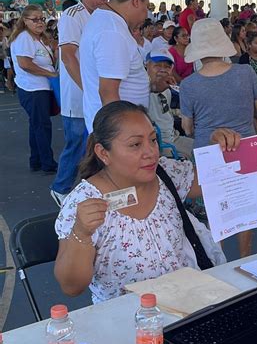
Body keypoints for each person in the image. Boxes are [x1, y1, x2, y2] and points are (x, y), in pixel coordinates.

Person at [54, 101, 239, 303]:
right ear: (103, 153)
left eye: (153, 140)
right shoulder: (83, 203)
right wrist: (81, 233)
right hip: (132, 319)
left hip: (189, 303)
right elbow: (72, 286)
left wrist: (219, 147)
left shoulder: (165, 174)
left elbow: (217, 179)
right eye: (135, 144)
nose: (151, 152)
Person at [179, 19, 257, 258]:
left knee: (215, 210)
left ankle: (220, 260)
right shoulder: (245, 72)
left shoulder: (189, 85)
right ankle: (245, 257)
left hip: (209, 150)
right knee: (247, 208)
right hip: (247, 146)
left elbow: (187, 127)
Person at [50, 0, 110, 206]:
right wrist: (89, 90)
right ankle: (61, 187)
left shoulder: (103, 15)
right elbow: (68, 56)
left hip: (94, 94)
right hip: (78, 95)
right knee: (76, 142)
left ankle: (92, 189)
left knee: (94, 143)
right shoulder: (72, 16)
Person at [79, 0, 150, 132]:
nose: (146, 16)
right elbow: (108, 92)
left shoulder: (106, 21)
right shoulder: (112, 30)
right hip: (120, 133)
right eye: (147, 7)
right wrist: (123, 136)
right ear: (136, 0)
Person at [9, 4, 58, 173]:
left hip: (40, 88)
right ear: (25, 21)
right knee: (42, 126)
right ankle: (47, 163)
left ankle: (37, 161)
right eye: (35, 19)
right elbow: (25, 64)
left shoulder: (37, 38)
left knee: (37, 125)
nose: (40, 22)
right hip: (33, 89)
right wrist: (50, 74)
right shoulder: (24, 38)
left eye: (42, 18)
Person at [146, 54, 194, 158]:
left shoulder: (167, 90)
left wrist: (180, 112)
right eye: (158, 66)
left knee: (204, 148)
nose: (163, 70)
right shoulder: (141, 91)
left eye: (167, 67)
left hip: (174, 137)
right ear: (147, 66)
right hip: (159, 144)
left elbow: (165, 111)